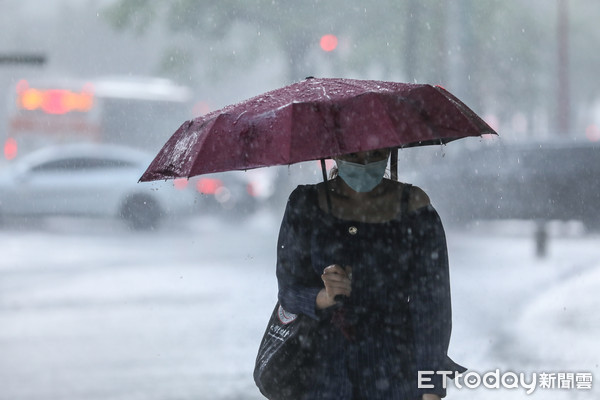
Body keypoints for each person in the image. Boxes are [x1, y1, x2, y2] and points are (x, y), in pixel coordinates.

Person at [275, 147, 465, 399]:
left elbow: (431, 309)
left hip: (394, 370)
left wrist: (431, 389)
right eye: (352, 154)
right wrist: (324, 296)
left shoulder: (415, 210)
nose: (364, 164)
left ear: (389, 151)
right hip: (323, 372)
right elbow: (288, 291)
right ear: (335, 152)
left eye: (375, 154)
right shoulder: (305, 205)